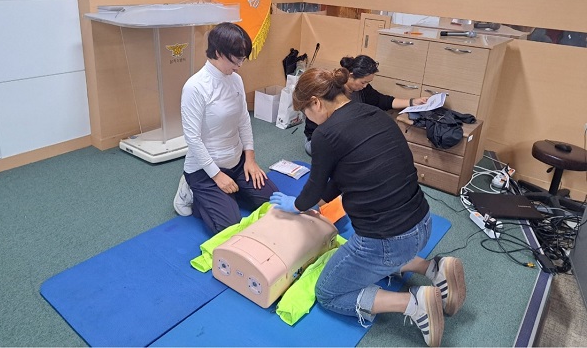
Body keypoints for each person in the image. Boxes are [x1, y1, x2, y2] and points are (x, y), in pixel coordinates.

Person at [270, 67, 466, 347]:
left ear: (316, 102)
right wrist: (317, 206)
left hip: (388, 242)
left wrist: (297, 205)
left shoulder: (325, 135)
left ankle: (413, 303)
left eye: (305, 112)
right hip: (422, 222)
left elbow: (313, 186)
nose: (307, 119)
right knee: (369, 250)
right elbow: (342, 177)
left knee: (328, 292)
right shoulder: (375, 113)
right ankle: (434, 268)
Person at [176, 22, 278, 234]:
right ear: (218, 52)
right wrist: (216, 176)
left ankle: (229, 192)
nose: (240, 65)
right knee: (230, 227)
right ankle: (191, 191)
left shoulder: (236, 80)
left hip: (237, 162)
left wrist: (250, 159)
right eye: (236, 59)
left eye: (243, 59)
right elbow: (192, 139)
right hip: (205, 170)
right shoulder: (195, 87)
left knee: (272, 202)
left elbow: (243, 120)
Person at [303, 54, 428, 156]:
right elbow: (322, 128)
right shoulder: (330, 91)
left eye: (368, 82)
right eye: (363, 82)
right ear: (350, 76)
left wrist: (412, 102)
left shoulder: (362, 90)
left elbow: (382, 100)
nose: (365, 86)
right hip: (318, 139)